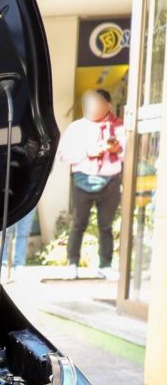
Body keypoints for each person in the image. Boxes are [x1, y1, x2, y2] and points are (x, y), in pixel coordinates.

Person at [57, 89, 125, 279]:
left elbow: (129, 153)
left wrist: (116, 149)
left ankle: (105, 265)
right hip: (83, 180)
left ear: (107, 105)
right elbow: (63, 155)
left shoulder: (118, 127)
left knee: (106, 226)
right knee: (78, 224)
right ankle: (72, 263)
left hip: (110, 181)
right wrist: (88, 152)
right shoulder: (76, 128)